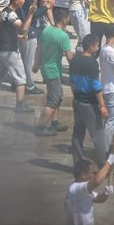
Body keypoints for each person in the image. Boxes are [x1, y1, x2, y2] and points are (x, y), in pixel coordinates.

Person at [70, 33, 108, 167]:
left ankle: (78, 164)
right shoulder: (92, 63)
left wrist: (76, 96)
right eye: (96, 46)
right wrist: (102, 105)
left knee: (78, 133)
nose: (97, 48)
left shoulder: (74, 60)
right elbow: (96, 86)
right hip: (89, 103)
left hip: (77, 101)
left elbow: (72, 82)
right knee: (98, 134)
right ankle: (103, 165)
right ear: (91, 47)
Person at [37, 7, 73, 136]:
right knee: (53, 100)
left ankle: (55, 122)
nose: (69, 19)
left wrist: (36, 64)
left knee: (58, 96)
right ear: (64, 19)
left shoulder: (46, 30)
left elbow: (38, 48)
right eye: (68, 17)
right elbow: (69, 58)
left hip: (45, 68)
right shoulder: (63, 36)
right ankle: (42, 127)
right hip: (53, 71)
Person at [65, 155, 114, 225]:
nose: (94, 175)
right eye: (93, 173)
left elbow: (98, 198)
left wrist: (106, 193)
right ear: (83, 174)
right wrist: (109, 162)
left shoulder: (83, 190)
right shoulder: (75, 188)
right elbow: (96, 181)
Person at [98, 25, 114, 151]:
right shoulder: (111, 52)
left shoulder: (103, 49)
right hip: (112, 91)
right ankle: (105, 150)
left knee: (107, 121)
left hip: (106, 89)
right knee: (111, 123)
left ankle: (106, 146)